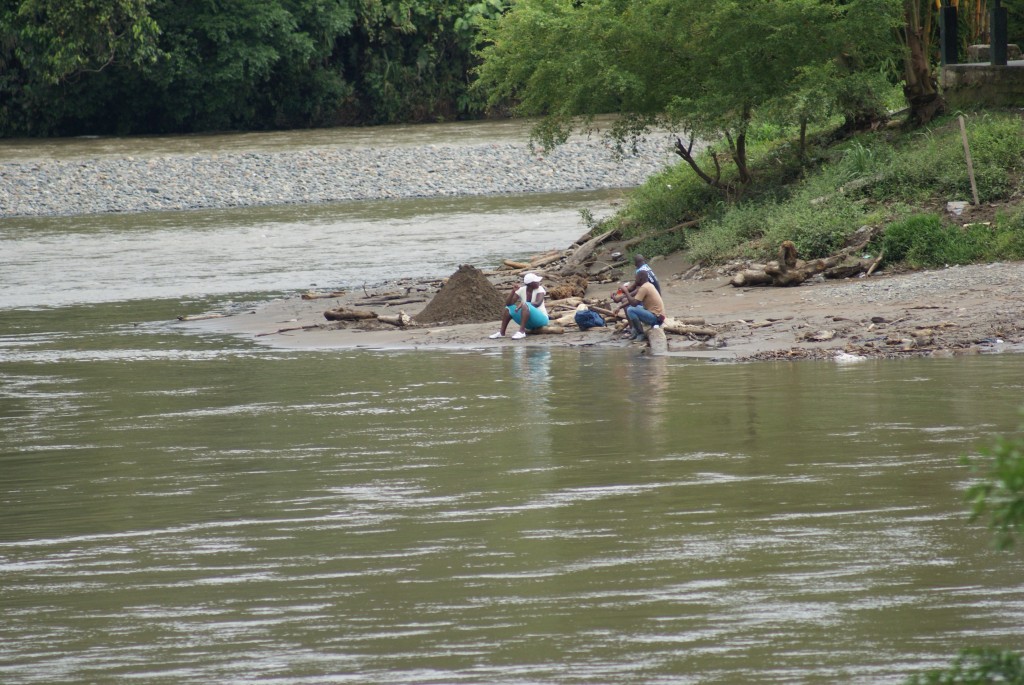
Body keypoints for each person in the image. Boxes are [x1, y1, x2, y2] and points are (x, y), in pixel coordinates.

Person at [489, 272, 549, 340]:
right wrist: (513, 291)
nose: (539, 282)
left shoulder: (540, 289)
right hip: (529, 323)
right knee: (509, 308)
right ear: (530, 284)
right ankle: (502, 333)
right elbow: (508, 304)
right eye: (536, 281)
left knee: (525, 305)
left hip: (541, 320)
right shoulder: (522, 290)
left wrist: (524, 303)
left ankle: (521, 331)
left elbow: (538, 303)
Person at [621, 270, 665, 341]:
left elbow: (634, 303)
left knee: (630, 310)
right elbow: (634, 301)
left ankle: (640, 333)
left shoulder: (644, 288)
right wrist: (619, 307)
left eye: (636, 278)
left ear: (640, 278)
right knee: (632, 308)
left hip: (656, 318)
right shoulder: (648, 285)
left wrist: (626, 291)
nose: (635, 280)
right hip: (658, 316)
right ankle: (635, 332)